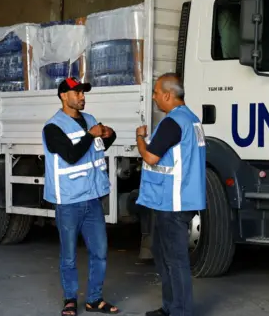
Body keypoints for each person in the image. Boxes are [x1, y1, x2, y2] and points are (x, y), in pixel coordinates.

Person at [42, 77, 120, 315]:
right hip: (69, 202)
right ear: (64, 96)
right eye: (77, 93)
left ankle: (94, 299)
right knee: (69, 255)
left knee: (100, 252)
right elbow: (71, 155)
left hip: (92, 199)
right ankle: (70, 300)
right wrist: (91, 134)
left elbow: (99, 148)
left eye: (83, 93)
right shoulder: (53, 127)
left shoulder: (90, 120)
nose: (82, 97)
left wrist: (109, 134)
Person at [135, 73, 207, 316]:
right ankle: (171, 307)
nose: (154, 97)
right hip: (182, 199)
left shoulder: (172, 122)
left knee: (175, 260)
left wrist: (140, 139)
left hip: (172, 202)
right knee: (163, 253)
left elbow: (151, 157)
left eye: (156, 92)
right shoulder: (192, 120)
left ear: (167, 94)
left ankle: (180, 311)